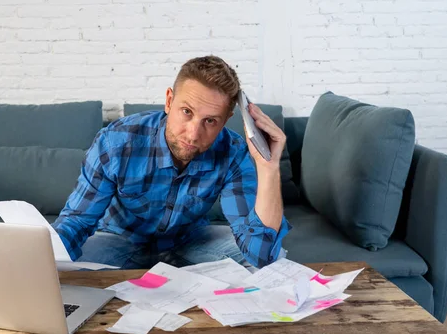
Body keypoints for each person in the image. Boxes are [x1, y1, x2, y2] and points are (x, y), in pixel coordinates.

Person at [53, 55, 291, 269]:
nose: (193, 134)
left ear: (226, 120)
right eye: (186, 111)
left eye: (210, 121)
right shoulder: (116, 142)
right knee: (59, 265)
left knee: (273, 259)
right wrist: (39, 262)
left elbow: (261, 254)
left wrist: (268, 167)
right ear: (169, 101)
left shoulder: (233, 152)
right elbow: (77, 222)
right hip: (119, 241)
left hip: (190, 242)